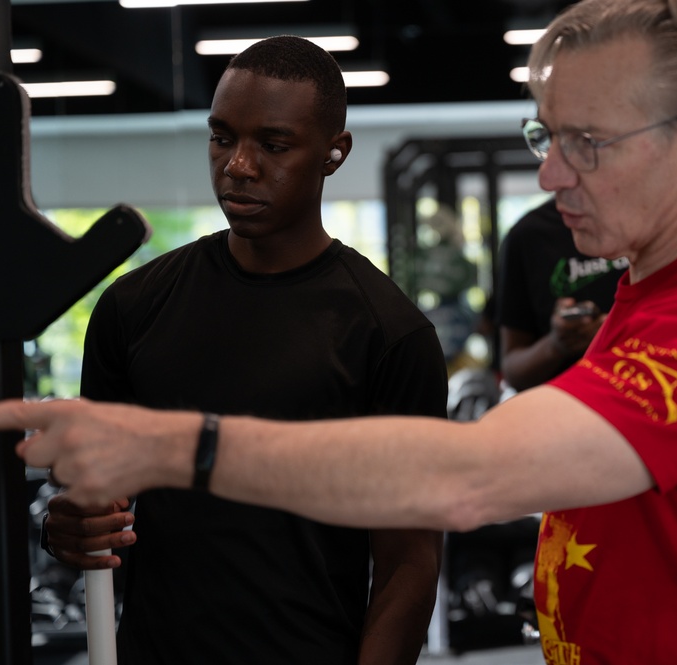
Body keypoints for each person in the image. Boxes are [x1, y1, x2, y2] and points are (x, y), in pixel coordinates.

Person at [0, 1, 677, 663]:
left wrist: (172, 446)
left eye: (588, 143)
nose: (549, 170)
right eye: (547, 134)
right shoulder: (650, 292)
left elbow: (465, 479)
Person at [35, 36, 447, 665]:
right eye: (222, 137)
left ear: (334, 152)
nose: (239, 166)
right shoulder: (135, 307)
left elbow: (407, 563)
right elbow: (95, 501)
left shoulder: (387, 334)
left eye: (273, 145)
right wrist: (66, 525)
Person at [497, 197, 627, 392]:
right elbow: (513, 370)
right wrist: (557, 344)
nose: (547, 179)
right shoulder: (528, 235)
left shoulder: (650, 219)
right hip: (571, 403)